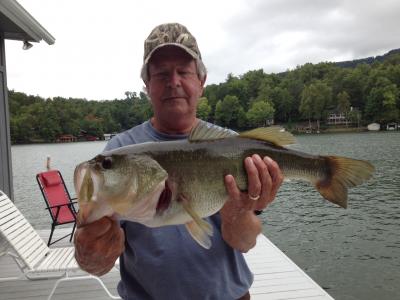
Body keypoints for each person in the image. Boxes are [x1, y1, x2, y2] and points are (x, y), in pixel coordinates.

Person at [74, 23, 283, 300]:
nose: (173, 82)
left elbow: (244, 242)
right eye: (161, 74)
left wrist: (237, 214)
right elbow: (98, 265)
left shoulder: (232, 146)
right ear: (147, 86)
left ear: (201, 81)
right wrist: (91, 252)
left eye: (183, 71)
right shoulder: (121, 150)